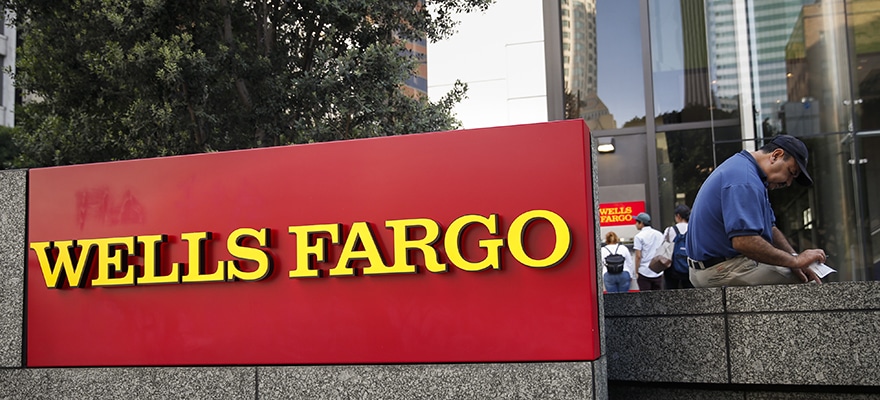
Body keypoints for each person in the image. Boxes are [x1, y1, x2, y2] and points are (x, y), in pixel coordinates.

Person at [686, 135, 826, 287]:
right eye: (791, 172)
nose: (788, 182)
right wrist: (795, 261)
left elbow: (770, 228)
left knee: (800, 272)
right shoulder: (745, 179)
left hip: (718, 266)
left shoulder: (749, 172)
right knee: (808, 284)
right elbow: (744, 242)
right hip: (718, 270)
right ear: (776, 155)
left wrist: (794, 258)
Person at [662, 204, 693, 289]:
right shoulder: (693, 228)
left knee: (671, 291)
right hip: (690, 266)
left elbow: (664, 247)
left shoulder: (669, 230)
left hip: (672, 268)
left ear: (678, 216)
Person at [632, 212, 665, 291]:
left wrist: (636, 271)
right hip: (658, 271)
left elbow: (638, 256)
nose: (635, 224)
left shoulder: (638, 237)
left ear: (641, 223)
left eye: (636, 222)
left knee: (645, 297)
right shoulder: (659, 234)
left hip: (644, 271)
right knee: (657, 296)